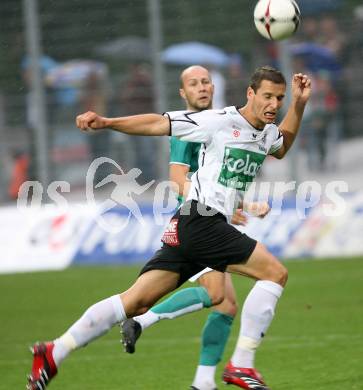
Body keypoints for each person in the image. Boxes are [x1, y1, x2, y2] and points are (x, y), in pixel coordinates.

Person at [27, 66, 311, 390]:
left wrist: (299, 104)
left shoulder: (266, 132)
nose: (274, 104)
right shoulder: (219, 121)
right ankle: (241, 365)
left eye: (279, 98)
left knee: (134, 302)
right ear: (250, 94)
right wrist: (108, 123)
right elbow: (159, 123)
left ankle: (54, 350)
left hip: (193, 224)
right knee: (274, 274)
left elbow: (282, 145)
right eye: (267, 96)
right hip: (202, 221)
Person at [120, 65, 270, 390]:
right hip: (194, 222)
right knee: (220, 295)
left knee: (226, 303)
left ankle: (203, 382)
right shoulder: (185, 128)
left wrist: (236, 206)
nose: (202, 87)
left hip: (210, 218)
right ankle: (144, 322)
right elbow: (177, 181)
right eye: (193, 83)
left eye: (206, 82)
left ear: (213, 87)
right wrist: (232, 207)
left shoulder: (218, 122)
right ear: (182, 92)